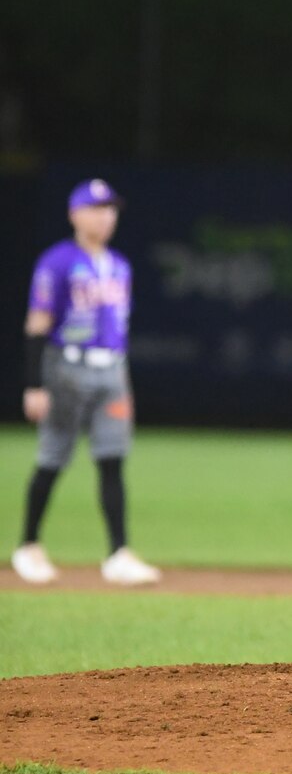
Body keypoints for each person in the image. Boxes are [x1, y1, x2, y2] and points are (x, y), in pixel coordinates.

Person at [11, 178, 161, 587]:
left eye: (111, 209)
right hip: (66, 370)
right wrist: (34, 385)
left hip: (111, 370)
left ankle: (118, 553)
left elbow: (118, 328)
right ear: (75, 214)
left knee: (112, 458)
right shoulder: (57, 262)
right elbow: (36, 325)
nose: (106, 216)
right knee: (53, 457)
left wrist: (121, 375)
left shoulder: (119, 265)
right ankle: (28, 546)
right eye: (96, 208)